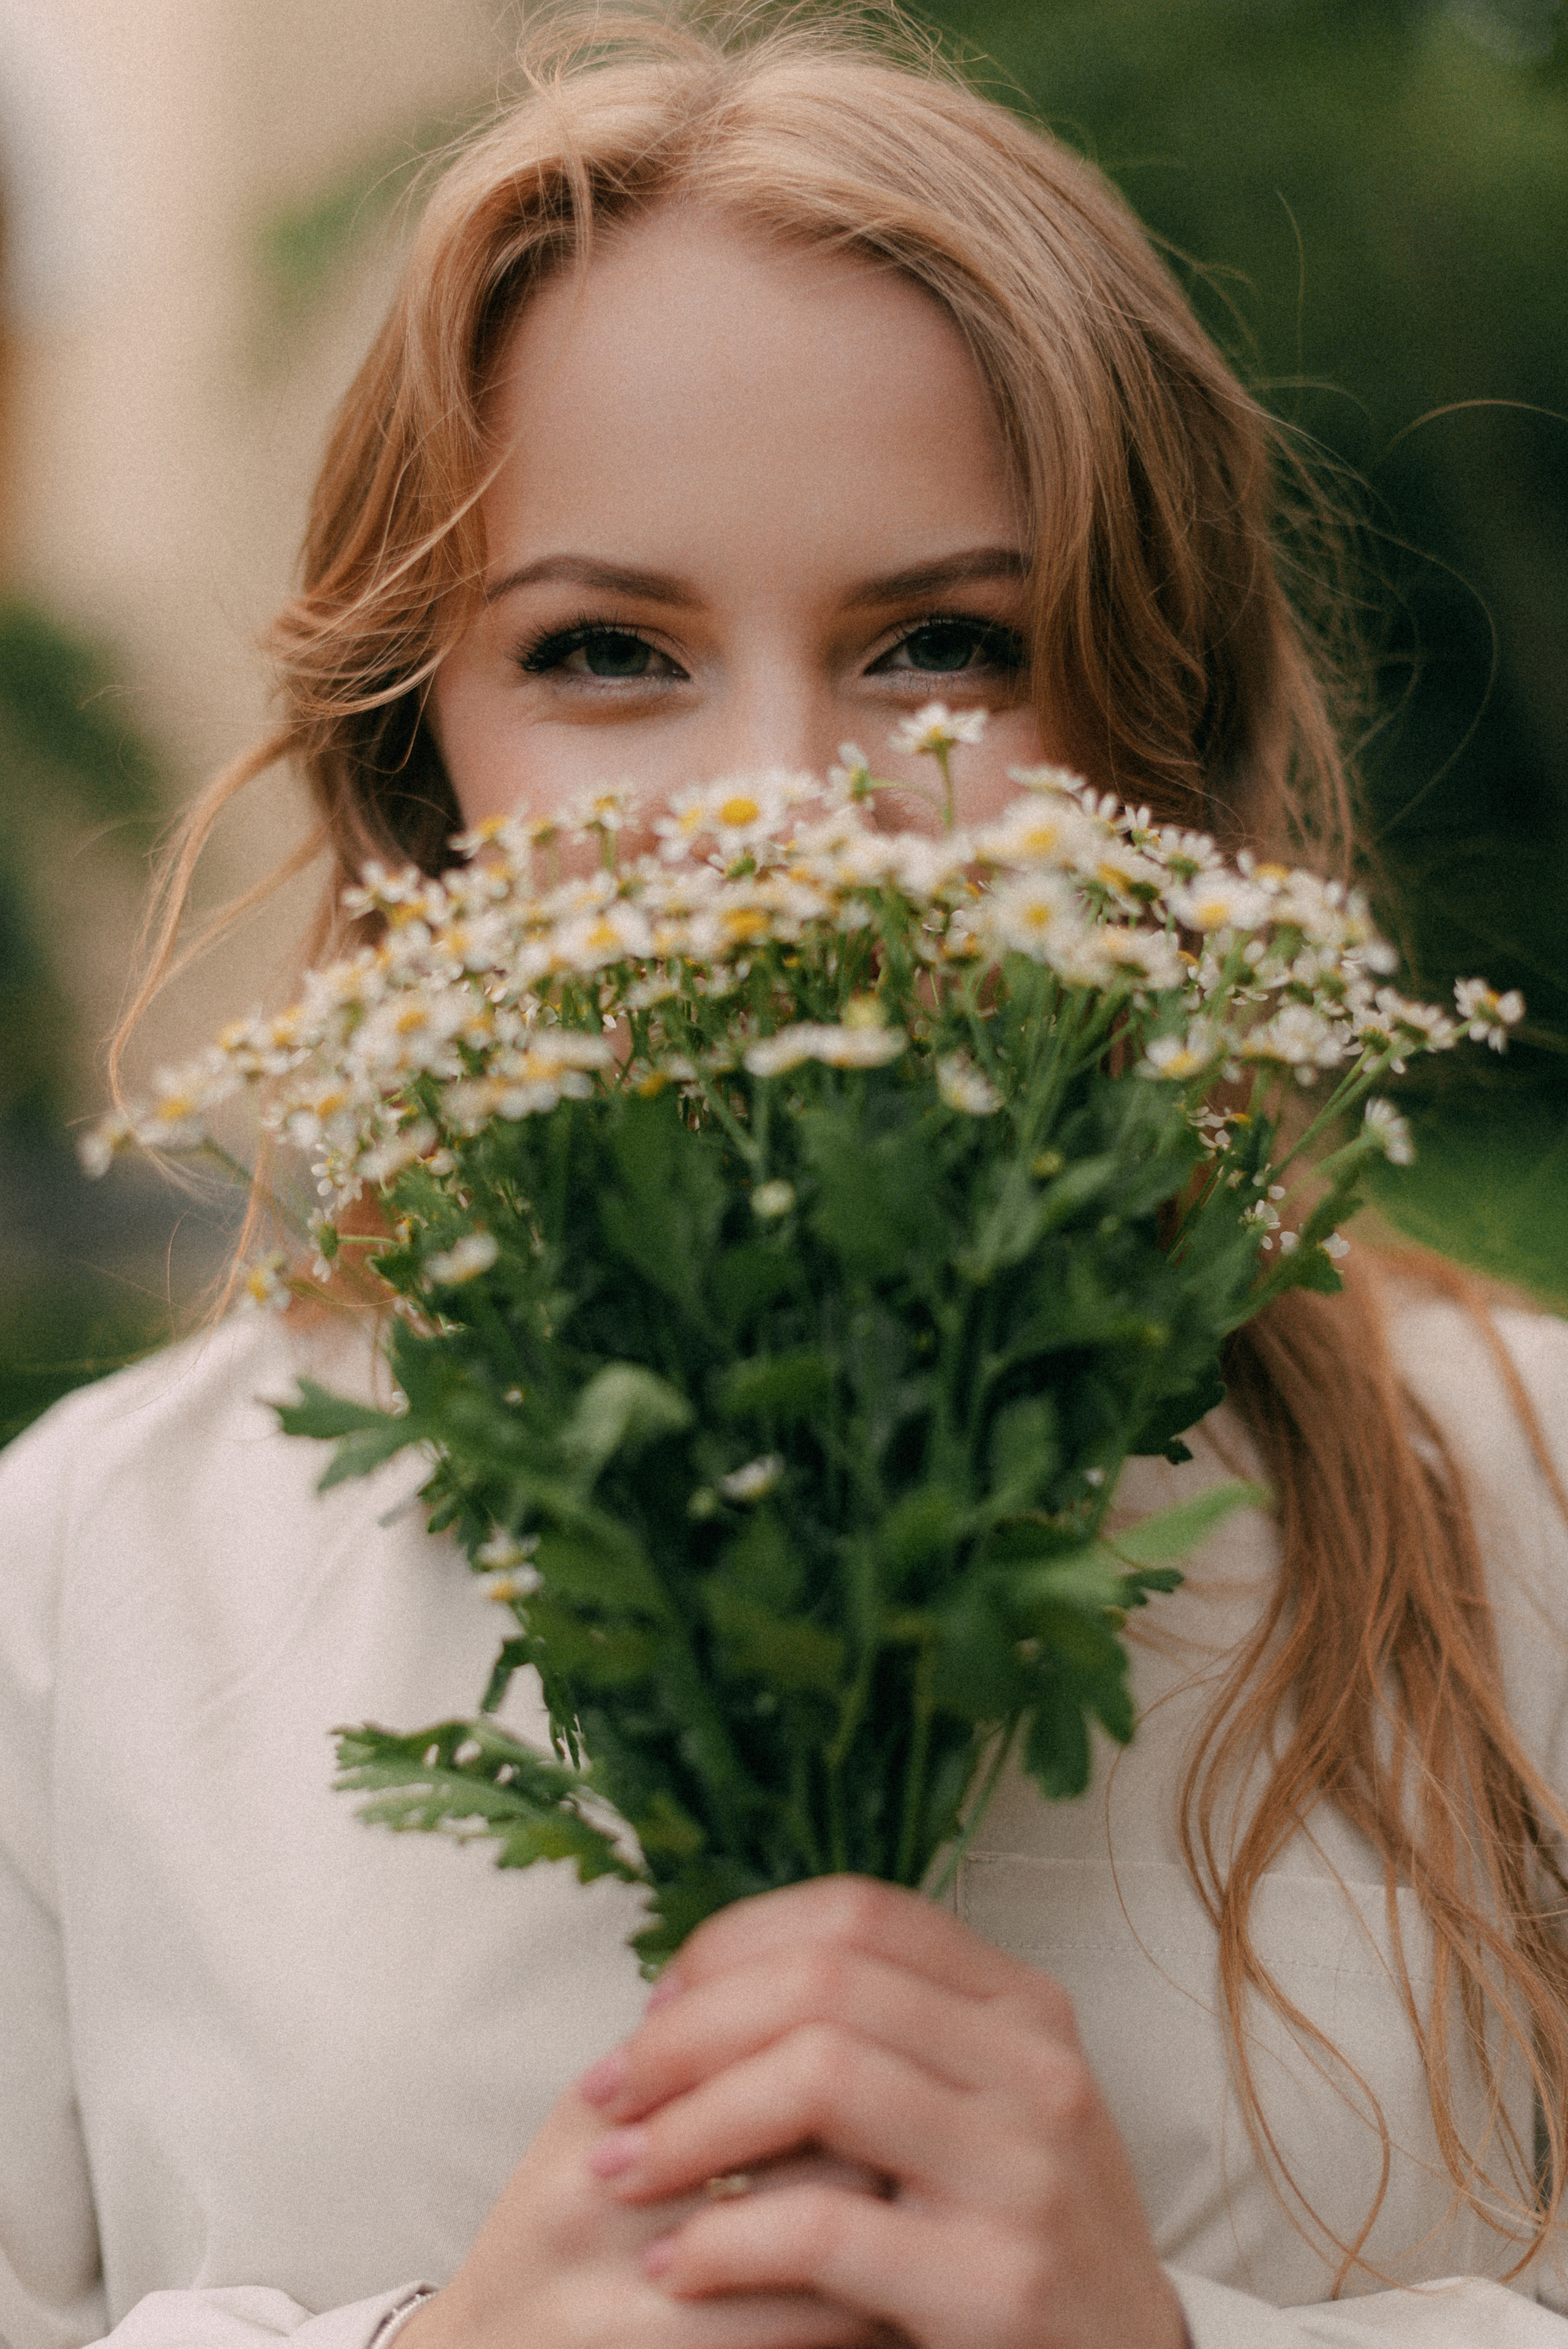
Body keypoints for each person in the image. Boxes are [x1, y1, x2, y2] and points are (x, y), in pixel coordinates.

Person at [4, 10, 1568, 2348]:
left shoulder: (1531, 1496)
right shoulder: (81, 1583)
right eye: (609, 651)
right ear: (423, 761)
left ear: (1148, 716)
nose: (783, 803)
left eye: (946, 645)